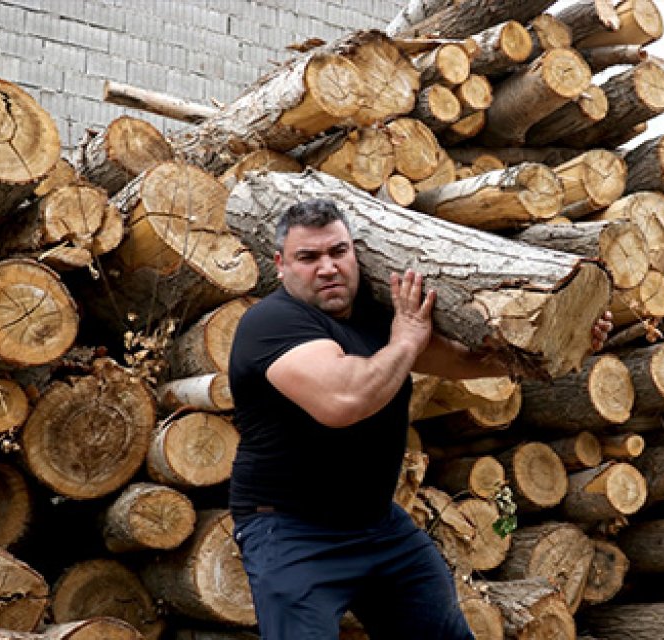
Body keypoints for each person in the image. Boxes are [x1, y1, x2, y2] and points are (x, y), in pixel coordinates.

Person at [227, 198, 611, 639]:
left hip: (377, 526)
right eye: (308, 258)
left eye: (338, 252)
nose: (328, 268)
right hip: (291, 533)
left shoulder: (377, 317)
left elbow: (466, 361)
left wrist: (567, 342)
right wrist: (406, 341)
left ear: (355, 252)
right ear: (280, 265)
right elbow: (345, 399)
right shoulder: (272, 323)